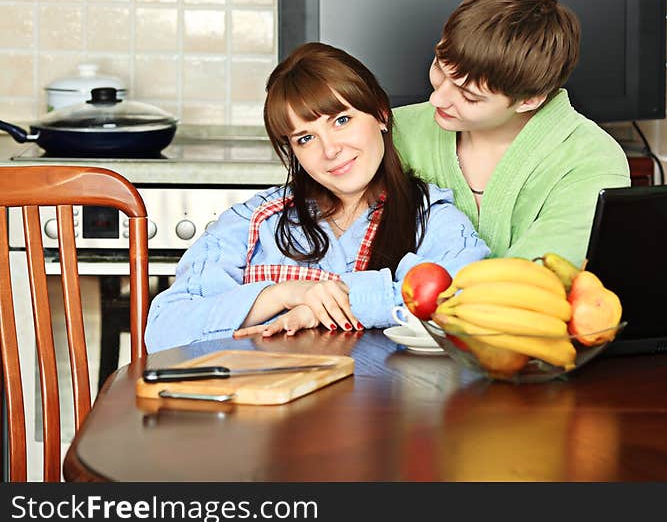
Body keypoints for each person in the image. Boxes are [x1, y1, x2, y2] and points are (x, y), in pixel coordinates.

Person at [145, 43, 489, 353]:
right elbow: (163, 331)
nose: (330, 150)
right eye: (305, 138)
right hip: (269, 415)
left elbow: (470, 302)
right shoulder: (252, 223)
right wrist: (284, 293)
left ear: (381, 114)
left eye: (341, 120)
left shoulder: (431, 218)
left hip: (390, 417)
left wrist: (336, 299)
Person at [392, 0, 631, 267]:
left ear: (529, 100)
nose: (437, 99)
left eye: (469, 96)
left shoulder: (591, 159)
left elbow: (534, 279)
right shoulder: (394, 130)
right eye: (440, 69)